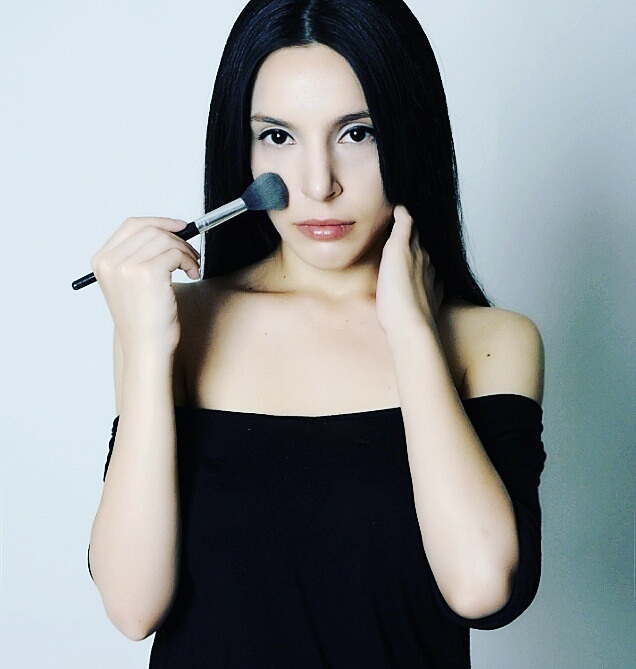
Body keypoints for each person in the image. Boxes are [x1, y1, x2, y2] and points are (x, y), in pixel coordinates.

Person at [88, 0, 546, 666]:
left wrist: (412, 333)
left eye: (357, 133)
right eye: (278, 137)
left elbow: (481, 588)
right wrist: (146, 347)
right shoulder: (176, 326)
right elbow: (132, 607)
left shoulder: (492, 342)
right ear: (242, 149)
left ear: (409, 132)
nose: (317, 183)